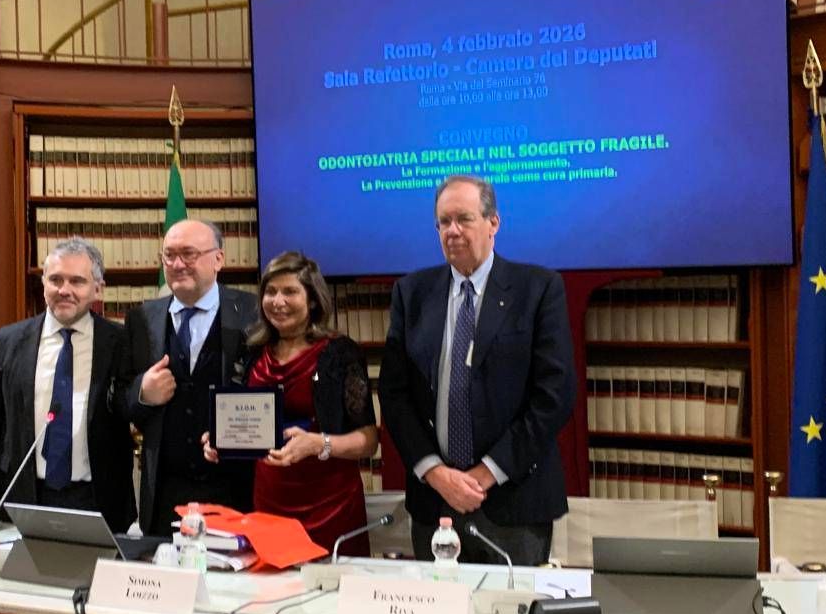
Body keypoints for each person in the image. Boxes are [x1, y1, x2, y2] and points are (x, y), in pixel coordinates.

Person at [378, 175, 576, 566]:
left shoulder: (538, 289)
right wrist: (436, 473)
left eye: (463, 219)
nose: (452, 231)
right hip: (435, 502)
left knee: (511, 606)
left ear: (493, 223)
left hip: (513, 502)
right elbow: (395, 394)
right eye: (443, 222)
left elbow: (553, 396)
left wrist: (484, 474)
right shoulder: (411, 293)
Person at [203, 252, 379, 556]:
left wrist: (319, 444)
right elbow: (236, 413)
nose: (278, 301)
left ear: (313, 300)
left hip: (330, 505)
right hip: (269, 499)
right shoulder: (251, 351)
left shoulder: (340, 353)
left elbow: (369, 440)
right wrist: (219, 438)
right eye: (270, 292)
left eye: (290, 291)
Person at [0, 238, 136, 534]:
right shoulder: (9, 341)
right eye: (55, 280)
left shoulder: (121, 343)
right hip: (26, 498)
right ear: (43, 284)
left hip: (98, 500)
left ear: (98, 289)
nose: (64, 290)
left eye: (77, 281)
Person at [123, 219, 258, 536]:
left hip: (236, 488)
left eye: (189, 254)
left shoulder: (253, 313)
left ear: (218, 259)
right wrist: (141, 392)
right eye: (169, 255)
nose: (177, 264)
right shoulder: (141, 318)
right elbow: (118, 397)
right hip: (165, 493)